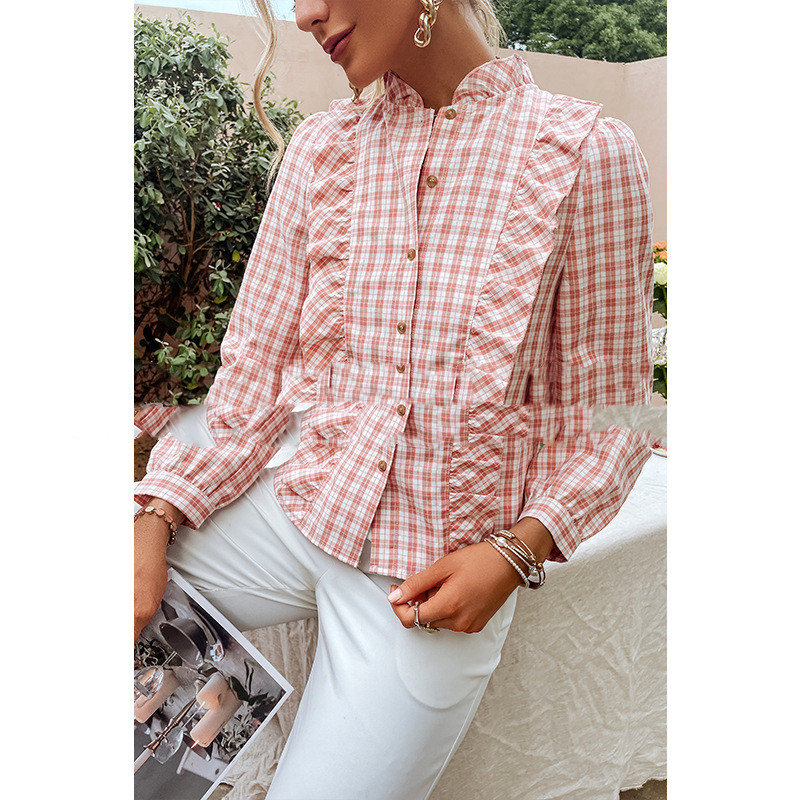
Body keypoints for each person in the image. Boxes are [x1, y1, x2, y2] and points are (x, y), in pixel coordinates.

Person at [134, 1, 655, 797]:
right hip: (298, 509)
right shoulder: (322, 149)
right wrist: (154, 514)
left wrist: (518, 551)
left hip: (428, 581)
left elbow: (615, 415)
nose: (305, 14)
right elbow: (253, 371)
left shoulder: (585, 152)